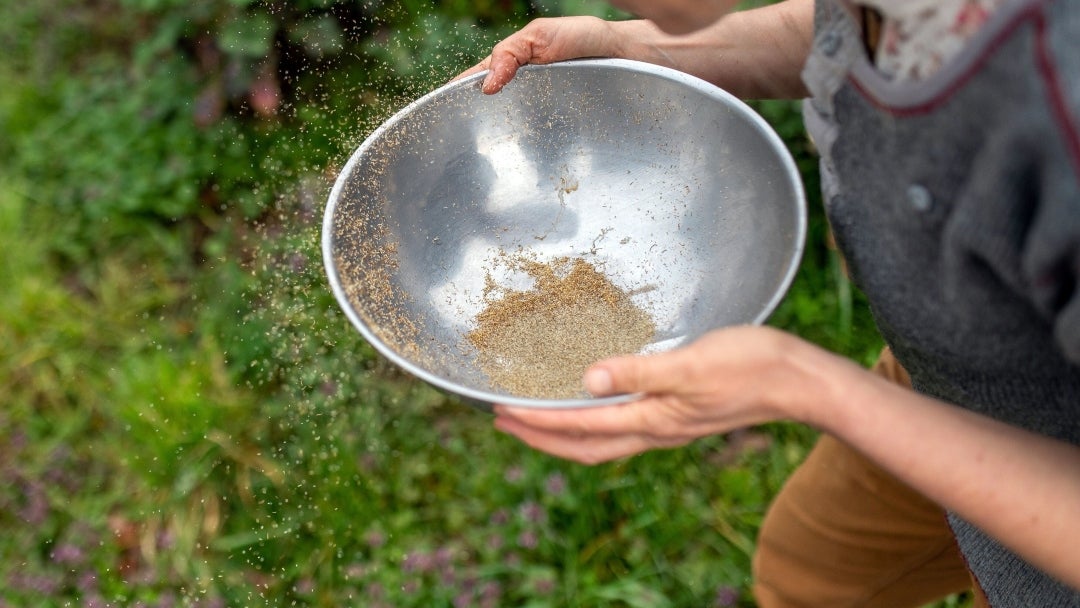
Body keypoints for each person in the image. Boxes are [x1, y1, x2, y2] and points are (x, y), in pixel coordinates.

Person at [457, 0, 1080, 606]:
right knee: (808, 572)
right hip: (953, 377)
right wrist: (627, 44)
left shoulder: (1062, 95)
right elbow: (837, 28)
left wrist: (812, 388)